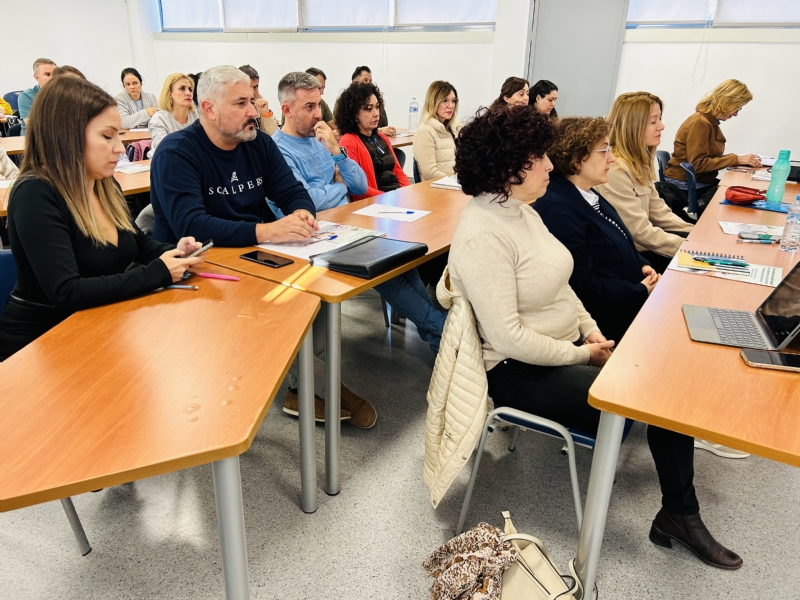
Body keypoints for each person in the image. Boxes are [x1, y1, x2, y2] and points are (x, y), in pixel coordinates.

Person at [448, 104, 742, 570]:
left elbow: (564, 283)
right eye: (538, 157)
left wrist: (590, 330)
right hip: (516, 371)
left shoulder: (520, 212)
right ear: (506, 166)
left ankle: (678, 515)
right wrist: (582, 354)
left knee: (665, 380)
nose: (550, 165)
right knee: (654, 396)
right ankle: (681, 516)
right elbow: (508, 338)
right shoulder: (483, 233)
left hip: (566, 347)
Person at [148, 65, 359, 427]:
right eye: (242, 102)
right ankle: (321, 389)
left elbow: (293, 192)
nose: (254, 110)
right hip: (201, 266)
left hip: (254, 253)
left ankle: (309, 388)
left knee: (318, 291)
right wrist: (266, 231)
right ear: (209, 109)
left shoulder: (257, 142)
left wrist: (302, 214)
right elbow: (191, 226)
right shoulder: (177, 153)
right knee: (294, 300)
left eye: (253, 100)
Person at [274, 72, 446, 426]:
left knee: (405, 262)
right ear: (286, 109)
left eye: (319, 105)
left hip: (345, 225)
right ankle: (444, 336)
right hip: (314, 238)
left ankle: (440, 335)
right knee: (392, 270)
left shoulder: (324, 141)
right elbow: (303, 203)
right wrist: (335, 188)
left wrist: (336, 155)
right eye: (309, 107)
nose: (318, 115)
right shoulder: (279, 149)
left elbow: (355, 183)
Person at [0, 76, 204, 362]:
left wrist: (172, 252)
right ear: (67, 135)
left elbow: (135, 240)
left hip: (102, 324)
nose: (120, 148)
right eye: (108, 136)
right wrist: (156, 273)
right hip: (43, 343)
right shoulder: (35, 193)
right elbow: (67, 292)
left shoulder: (104, 184)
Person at [534, 116, 658, 346]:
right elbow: (582, 285)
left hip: (626, 300)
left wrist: (641, 263)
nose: (611, 158)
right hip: (605, 322)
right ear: (577, 159)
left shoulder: (586, 192)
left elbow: (618, 235)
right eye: (604, 151)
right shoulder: (558, 209)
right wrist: (638, 291)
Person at [596, 92, 693, 274]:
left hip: (647, 244)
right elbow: (639, 231)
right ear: (634, 126)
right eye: (653, 121)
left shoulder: (639, 161)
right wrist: (692, 247)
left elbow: (659, 212)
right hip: (635, 255)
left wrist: (696, 233)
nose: (662, 126)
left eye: (660, 120)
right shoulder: (616, 169)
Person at [664, 79, 760, 190]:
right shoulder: (700, 123)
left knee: (738, 190)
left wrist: (736, 159)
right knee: (736, 197)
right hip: (684, 183)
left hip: (693, 180)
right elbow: (697, 164)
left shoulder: (708, 121)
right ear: (727, 103)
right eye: (737, 108)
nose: (736, 114)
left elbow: (706, 158)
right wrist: (735, 159)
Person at [335, 82, 409, 200]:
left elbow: (398, 171)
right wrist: (388, 198)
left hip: (396, 196)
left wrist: (407, 192)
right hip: (375, 202)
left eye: (377, 107)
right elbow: (358, 188)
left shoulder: (381, 137)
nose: (376, 113)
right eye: (369, 109)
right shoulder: (348, 141)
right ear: (354, 115)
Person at [412, 80, 462, 181]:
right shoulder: (425, 131)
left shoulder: (455, 127)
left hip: (454, 184)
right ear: (433, 102)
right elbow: (430, 173)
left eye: (453, 101)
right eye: (445, 100)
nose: (451, 105)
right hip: (437, 188)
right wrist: (456, 182)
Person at [334, 66, 395, 137]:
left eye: (370, 81)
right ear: (354, 83)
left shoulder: (375, 99)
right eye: (365, 80)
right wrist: (380, 130)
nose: (368, 84)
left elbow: (385, 124)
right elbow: (342, 128)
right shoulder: (344, 102)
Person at [149, 73, 198, 154]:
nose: (188, 93)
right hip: (167, 161)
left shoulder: (198, 115)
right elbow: (163, 148)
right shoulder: (159, 119)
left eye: (190, 89)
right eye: (182, 88)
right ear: (169, 93)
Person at [18, 58, 56, 135]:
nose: (53, 78)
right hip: (33, 141)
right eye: (48, 74)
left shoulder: (63, 95)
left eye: (55, 74)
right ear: (36, 77)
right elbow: (34, 126)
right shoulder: (26, 96)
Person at [238, 64, 278, 135]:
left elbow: (273, 134)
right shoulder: (234, 106)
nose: (253, 92)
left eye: (255, 87)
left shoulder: (259, 103)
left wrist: (266, 113)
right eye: (249, 87)